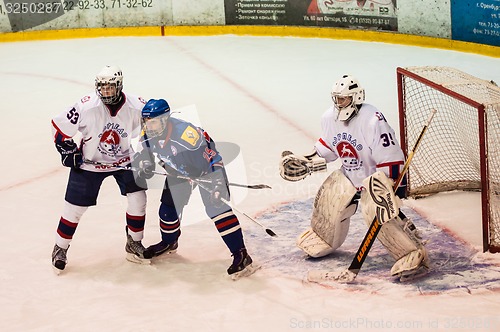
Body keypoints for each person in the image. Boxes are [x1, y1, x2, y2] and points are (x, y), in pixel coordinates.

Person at [279, 74, 429, 281]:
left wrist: (392, 184)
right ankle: (324, 237)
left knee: (375, 211)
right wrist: (308, 159)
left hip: (375, 179)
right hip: (350, 173)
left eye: (344, 99)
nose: (339, 104)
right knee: (329, 197)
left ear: (356, 97)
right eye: (337, 99)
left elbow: (390, 154)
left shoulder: (372, 119)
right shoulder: (329, 117)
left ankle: (410, 252)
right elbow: (329, 148)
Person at [133, 98, 256, 280]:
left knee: (218, 211)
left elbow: (213, 156)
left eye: (153, 122)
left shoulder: (186, 135)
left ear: (165, 120)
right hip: (177, 171)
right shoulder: (147, 134)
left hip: (206, 171)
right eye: (146, 122)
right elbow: (145, 155)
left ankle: (241, 255)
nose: (148, 126)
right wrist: (143, 163)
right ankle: (169, 242)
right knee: (167, 211)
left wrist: (217, 185)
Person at [50, 65, 152, 274]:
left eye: (110, 87)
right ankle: (60, 248)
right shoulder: (86, 106)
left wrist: (146, 154)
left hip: (125, 161)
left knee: (138, 199)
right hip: (90, 163)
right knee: (74, 209)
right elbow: (59, 127)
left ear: (119, 86)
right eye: (102, 87)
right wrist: (67, 151)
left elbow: (155, 128)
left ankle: (134, 243)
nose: (106, 92)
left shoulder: (137, 105)